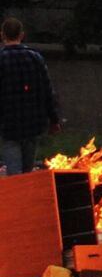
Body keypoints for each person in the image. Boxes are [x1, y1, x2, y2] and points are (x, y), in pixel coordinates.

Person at [0, 17, 62, 176]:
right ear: (22, 35)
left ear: (2, 35)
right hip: (32, 122)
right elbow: (47, 91)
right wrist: (54, 119)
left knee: (14, 173)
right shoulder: (35, 58)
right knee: (28, 171)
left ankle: (17, 198)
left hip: (8, 124)